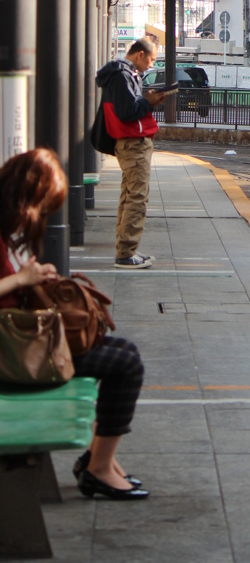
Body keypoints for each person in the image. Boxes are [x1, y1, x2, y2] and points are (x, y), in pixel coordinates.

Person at [0, 148, 148, 499]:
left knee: (123, 353)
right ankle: (98, 467)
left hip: (19, 343)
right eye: (43, 207)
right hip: (11, 354)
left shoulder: (7, 234)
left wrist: (33, 278)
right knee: (125, 364)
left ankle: (101, 460)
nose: (41, 217)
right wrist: (22, 280)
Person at [96, 38, 171, 269]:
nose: (150, 65)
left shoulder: (123, 74)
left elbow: (128, 106)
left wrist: (148, 100)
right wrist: (148, 102)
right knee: (137, 197)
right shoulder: (122, 76)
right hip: (132, 143)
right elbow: (127, 111)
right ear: (139, 54)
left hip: (130, 143)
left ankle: (126, 250)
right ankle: (125, 253)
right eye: (150, 60)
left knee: (129, 195)